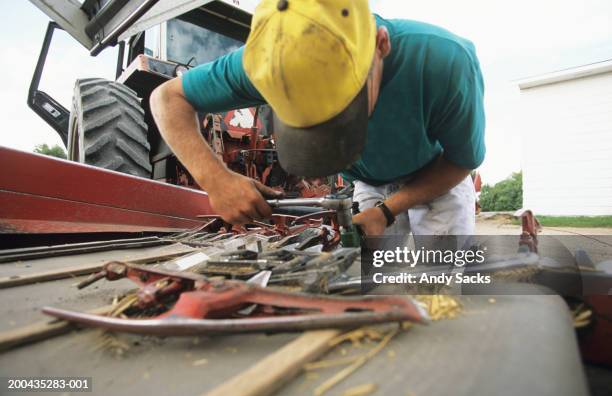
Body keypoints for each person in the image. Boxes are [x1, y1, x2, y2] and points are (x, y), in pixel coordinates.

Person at [150, 0, 485, 237]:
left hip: (437, 176)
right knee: (380, 283)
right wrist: (217, 180)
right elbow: (167, 98)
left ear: (381, 44)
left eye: (341, 112)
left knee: (437, 288)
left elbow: (460, 162)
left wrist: (387, 210)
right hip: (369, 183)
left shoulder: (444, 62)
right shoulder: (265, 62)